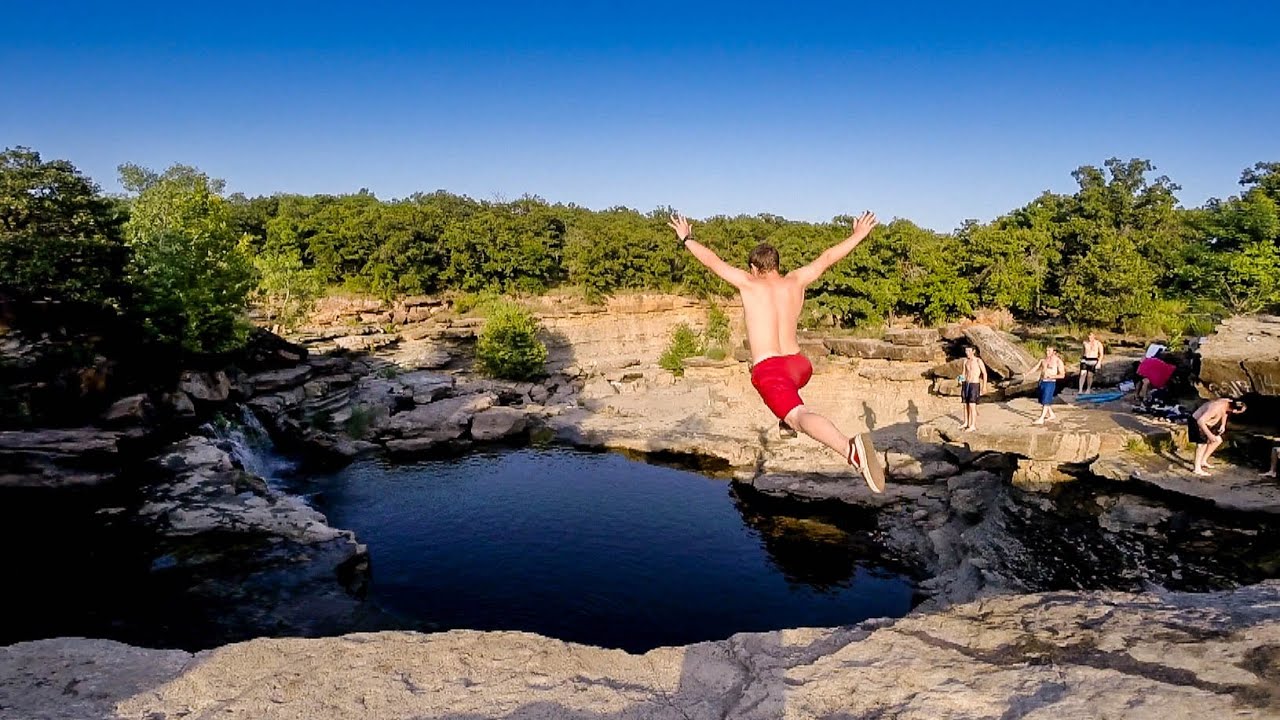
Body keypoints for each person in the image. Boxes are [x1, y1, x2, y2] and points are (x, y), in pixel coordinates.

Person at [667, 210, 887, 492]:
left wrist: (686, 238)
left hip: (770, 370)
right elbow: (828, 257)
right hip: (799, 366)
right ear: (776, 265)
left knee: (797, 415)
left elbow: (713, 262)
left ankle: (850, 450)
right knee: (786, 400)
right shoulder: (796, 280)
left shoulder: (748, 283)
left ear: (754, 267)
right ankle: (786, 419)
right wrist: (858, 235)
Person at [1188, 398, 1247, 477]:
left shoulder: (1228, 402)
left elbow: (1226, 412)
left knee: (1218, 440)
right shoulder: (1215, 408)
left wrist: (1223, 424)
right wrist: (1209, 435)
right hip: (1197, 422)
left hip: (1209, 423)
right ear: (1235, 411)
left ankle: (1203, 460)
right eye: (1240, 412)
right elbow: (1200, 421)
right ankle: (1197, 469)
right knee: (1201, 444)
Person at [1029, 346, 1065, 425]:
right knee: (1043, 400)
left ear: (1054, 352)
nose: (1047, 352)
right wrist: (1027, 374)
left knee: (1046, 401)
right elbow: (1035, 368)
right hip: (1042, 382)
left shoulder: (1058, 361)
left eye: (1049, 351)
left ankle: (1041, 418)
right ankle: (1051, 414)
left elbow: (1062, 375)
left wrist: (1052, 376)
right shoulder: (1043, 360)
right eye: (1046, 350)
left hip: (1050, 382)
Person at [959, 345, 987, 432]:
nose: (967, 352)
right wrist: (960, 380)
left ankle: (973, 425)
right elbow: (963, 373)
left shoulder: (978, 361)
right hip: (966, 383)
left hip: (974, 384)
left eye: (968, 350)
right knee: (965, 404)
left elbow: (984, 373)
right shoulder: (965, 361)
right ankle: (966, 422)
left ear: (973, 351)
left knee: (972, 404)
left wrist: (984, 386)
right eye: (966, 351)